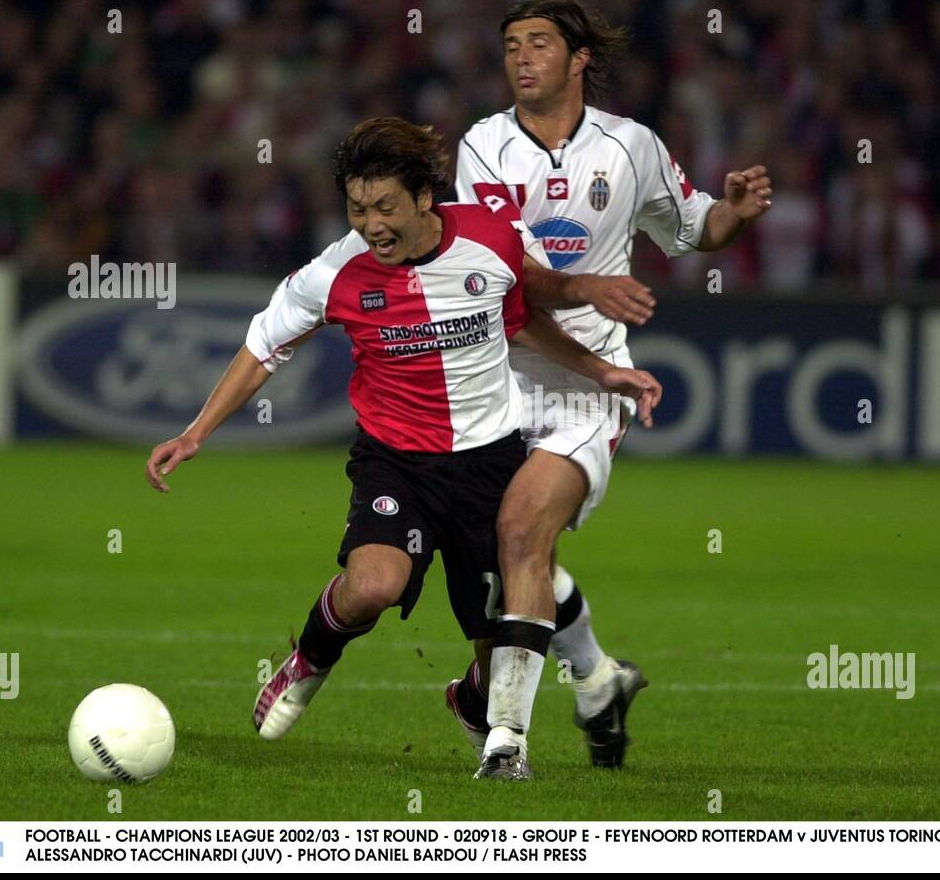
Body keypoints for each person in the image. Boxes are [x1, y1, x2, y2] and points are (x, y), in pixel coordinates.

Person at [144, 117, 661, 780]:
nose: (371, 223)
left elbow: (524, 322)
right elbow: (263, 347)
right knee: (374, 585)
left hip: (487, 462)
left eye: (384, 205)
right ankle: (311, 662)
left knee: (493, 646)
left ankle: (479, 706)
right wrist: (195, 433)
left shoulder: (493, 239)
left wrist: (603, 372)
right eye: (357, 208)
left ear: (425, 197)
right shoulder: (334, 273)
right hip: (396, 462)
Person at [447, 0, 773, 766]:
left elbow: (694, 228)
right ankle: (597, 679)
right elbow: (506, 278)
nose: (522, 58)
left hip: (585, 391)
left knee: (524, 533)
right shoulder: (484, 148)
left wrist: (734, 213)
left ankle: (505, 744)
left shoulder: (631, 146)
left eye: (538, 44)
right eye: (511, 46)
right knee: (512, 561)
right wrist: (588, 286)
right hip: (495, 382)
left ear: (579, 59)